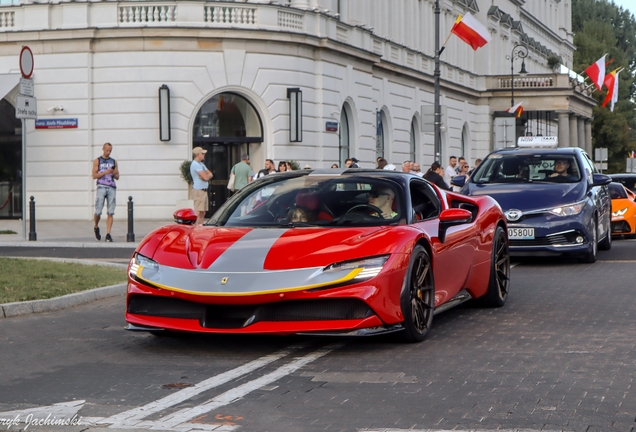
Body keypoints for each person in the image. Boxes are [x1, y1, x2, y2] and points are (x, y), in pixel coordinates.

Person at [92, 143, 119, 242]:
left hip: (111, 187)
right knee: (98, 211)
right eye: (107, 150)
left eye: (110, 151)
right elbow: (94, 175)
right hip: (101, 186)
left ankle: (108, 233)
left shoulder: (113, 161)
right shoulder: (98, 161)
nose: (108, 152)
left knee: (110, 212)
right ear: (103, 149)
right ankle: (96, 226)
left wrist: (114, 173)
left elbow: (117, 176)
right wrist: (105, 172)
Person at [190, 146, 213, 225]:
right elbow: (206, 177)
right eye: (202, 153)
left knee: (203, 212)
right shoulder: (195, 164)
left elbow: (210, 174)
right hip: (198, 191)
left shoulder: (201, 164)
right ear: (198, 154)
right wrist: (205, 176)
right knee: (198, 212)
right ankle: (195, 228)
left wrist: (205, 176)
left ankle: (200, 227)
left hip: (203, 191)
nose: (204, 155)